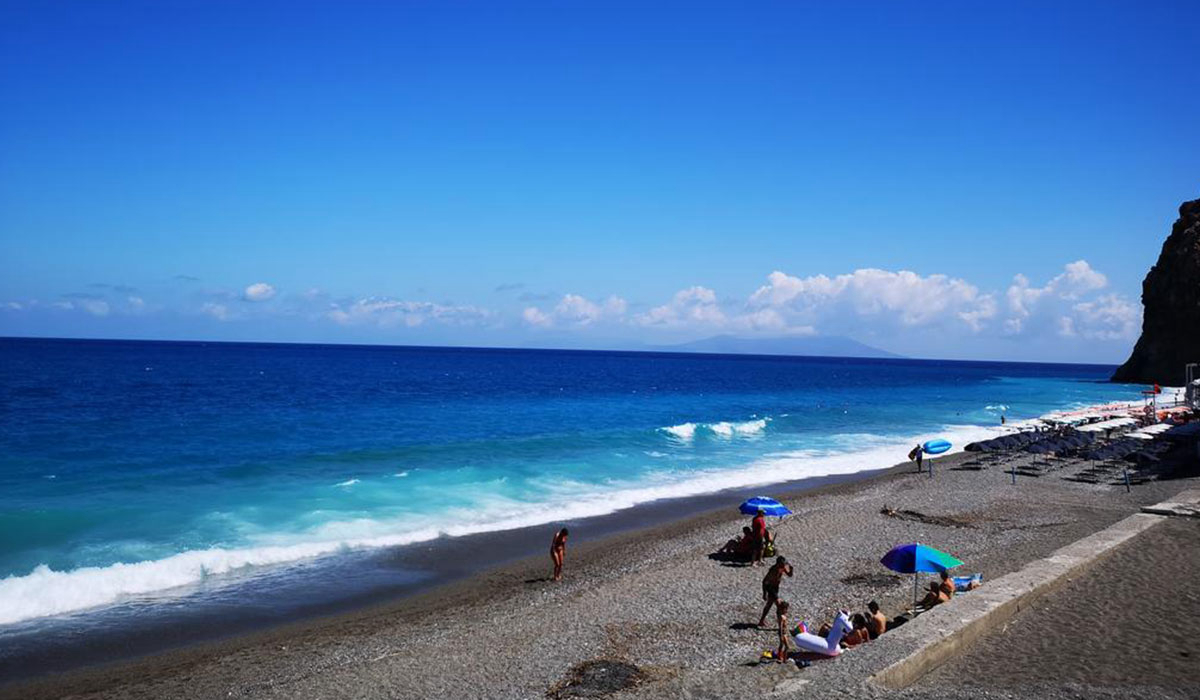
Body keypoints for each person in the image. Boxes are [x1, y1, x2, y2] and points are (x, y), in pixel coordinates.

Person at [757, 556, 794, 627]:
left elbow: (789, 575)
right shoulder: (773, 570)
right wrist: (764, 593)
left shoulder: (782, 567)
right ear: (778, 563)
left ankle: (761, 621)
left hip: (776, 588)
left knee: (769, 604)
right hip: (770, 588)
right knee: (779, 605)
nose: (784, 565)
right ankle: (781, 625)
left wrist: (791, 569)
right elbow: (764, 581)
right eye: (782, 564)